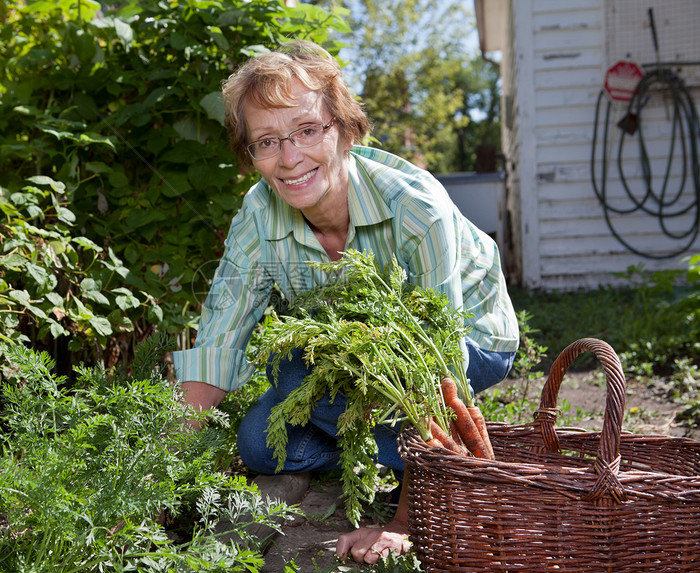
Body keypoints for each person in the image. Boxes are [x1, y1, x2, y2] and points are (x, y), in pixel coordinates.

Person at [171, 39, 519, 564]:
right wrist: (153, 468)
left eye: (307, 130)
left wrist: (406, 522)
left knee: (292, 376)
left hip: (469, 343)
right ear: (250, 152)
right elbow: (219, 344)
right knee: (259, 445)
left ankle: (430, 462)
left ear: (343, 126)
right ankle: (376, 441)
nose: (289, 159)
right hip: (353, 363)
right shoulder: (258, 215)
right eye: (266, 141)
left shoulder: (416, 212)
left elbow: (438, 367)